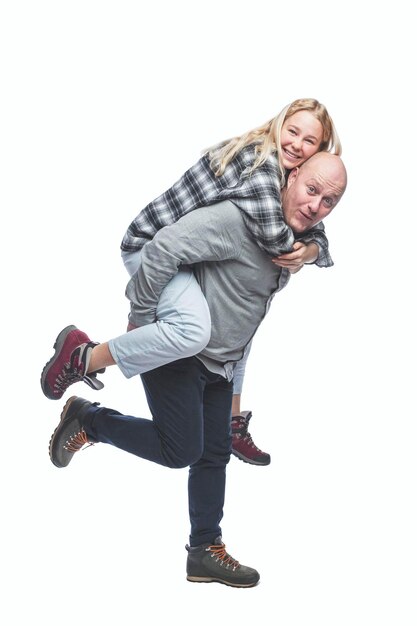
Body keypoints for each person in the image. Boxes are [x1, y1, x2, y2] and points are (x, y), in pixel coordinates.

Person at [45, 153, 348, 587]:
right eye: (311, 189)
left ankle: (204, 550)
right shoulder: (236, 219)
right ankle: (90, 419)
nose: (316, 205)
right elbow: (164, 246)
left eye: (329, 201)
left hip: (220, 363)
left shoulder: (288, 244)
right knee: (181, 450)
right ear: (292, 176)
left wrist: (236, 405)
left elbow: (248, 316)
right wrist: (143, 317)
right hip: (178, 350)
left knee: (214, 454)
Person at [41, 98, 342, 466]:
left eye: (309, 142)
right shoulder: (261, 169)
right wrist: (140, 319)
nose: (297, 144)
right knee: (195, 331)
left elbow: (310, 229)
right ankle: (83, 356)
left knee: (238, 320)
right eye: (292, 131)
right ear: (278, 125)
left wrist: (312, 249)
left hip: (185, 259)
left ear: (317, 153)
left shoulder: (285, 175)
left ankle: (229, 426)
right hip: (150, 244)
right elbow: (280, 239)